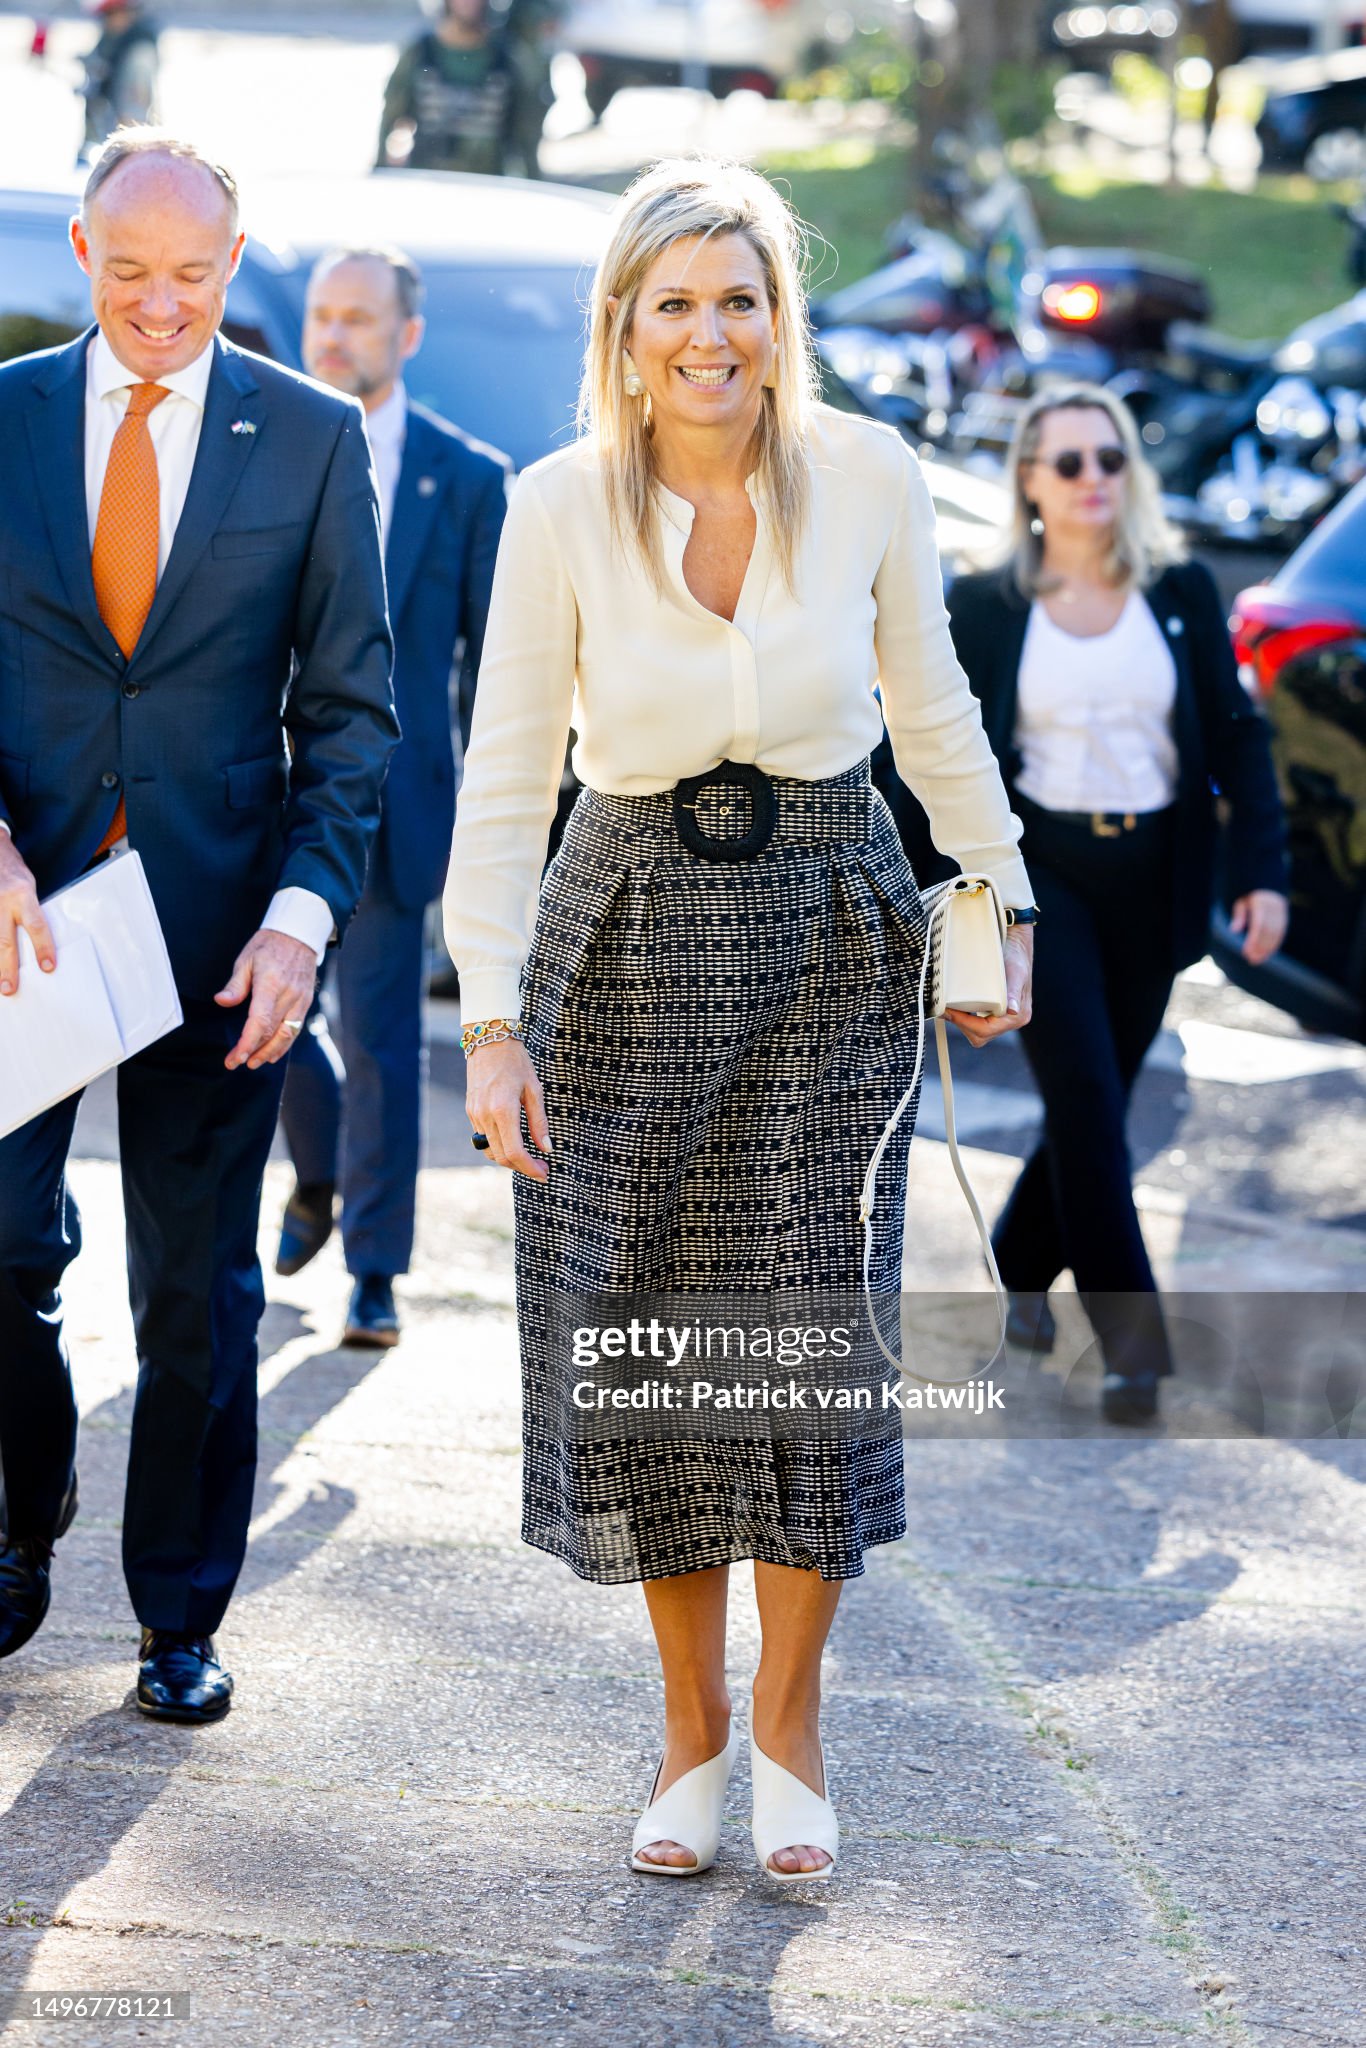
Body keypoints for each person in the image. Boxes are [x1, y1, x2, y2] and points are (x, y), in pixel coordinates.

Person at [443, 159, 1036, 1883]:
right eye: (675, 302)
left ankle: (790, 1719)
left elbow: (927, 699)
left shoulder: (867, 474)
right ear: (624, 334)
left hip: (831, 938)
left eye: (741, 297)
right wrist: (492, 1024)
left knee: (809, 1340)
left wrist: (988, 899)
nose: (711, 334)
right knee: (646, 1356)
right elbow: (501, 781)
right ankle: (686, 1728)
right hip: (619, 940)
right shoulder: (556, 503)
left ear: (783, 321)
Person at [0, 132, 398, 1717]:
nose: (158, 305)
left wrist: (302, 921)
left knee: (197, 1295)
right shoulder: (7, 419)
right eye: (128, 268)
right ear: (83, 248)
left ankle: (176, 1618)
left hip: (219, 937)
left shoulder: (304, 440)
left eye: (192, 275)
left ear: (235, 266)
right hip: (23, 935)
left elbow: (353, 716)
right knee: (5, 1249)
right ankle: (19, 1528)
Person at [945, 382, 1289, 1423]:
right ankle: (1133, 1341)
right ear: (1029, 481)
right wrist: (945, 908)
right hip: (1041, 877)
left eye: (1109, 458)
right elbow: (936, 756)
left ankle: (1014, 1266)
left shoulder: (1177, 589)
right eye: (1069, 461)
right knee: (1091, 1098)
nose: (1093, 478)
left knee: (1091, 1098)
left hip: (1157, 877)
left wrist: (1262, 871)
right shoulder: (987, 607)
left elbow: (1237, 738)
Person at [275, 245, 511, 1349]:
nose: (334, 335)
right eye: (322, 314)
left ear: (406, 334)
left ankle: (373, 1270)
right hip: (258, 796)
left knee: (378, 1038)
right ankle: (316, 1171)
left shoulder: (466, 480)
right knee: (258, 1021)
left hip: (389, 806)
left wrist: (491, 822)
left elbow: (498, 672)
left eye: (358, 318)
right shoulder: (258, 446)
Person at [376, 0, 546, 178]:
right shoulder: (420, 52)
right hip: (427, 177)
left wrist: (533, 179)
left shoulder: (508, 57)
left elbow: (527, 130)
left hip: (487, 181)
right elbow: (391, 113)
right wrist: (380, 166)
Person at [78, 1, 159, 162]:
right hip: (105, 136)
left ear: (124, 13)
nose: (106, 22)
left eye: (109, 15)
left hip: (125, 144)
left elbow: (136, 102)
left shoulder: (138, 53)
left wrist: (126, 146)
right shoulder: (113, 42)